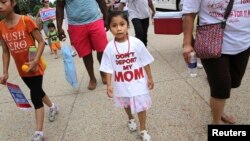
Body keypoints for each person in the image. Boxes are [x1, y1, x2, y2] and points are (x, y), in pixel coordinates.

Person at [182, 0, 250, 124]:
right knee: (221, 88)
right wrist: (187, 44)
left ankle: (217, 107)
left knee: (232, 83)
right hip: (211, 43)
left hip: (244, 43)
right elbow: (189, 14)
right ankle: (216, 122)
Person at [0, 0, 58, 140]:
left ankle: (39, 133)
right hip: (22, 70)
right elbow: (6, 51)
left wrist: (36, 61)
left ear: (13, 3)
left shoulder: (26, 20)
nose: (0, 6)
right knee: (38, 91)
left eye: (3, 2)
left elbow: (42, 42)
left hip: (35, 67)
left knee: (35, 96)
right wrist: (5, 72)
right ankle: (53, 106)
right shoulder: (1, 26)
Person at [100, 11, 154, 141]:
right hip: (121, 83)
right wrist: (109, 85)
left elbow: (145, 61)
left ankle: (143, 129)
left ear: (127, 25)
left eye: (122, 24)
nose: (118, 28)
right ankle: (130, 119)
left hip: (138, 81)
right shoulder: (109, 48)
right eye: (114, 25)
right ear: (109, 28)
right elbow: (107, 68)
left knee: (141, 106)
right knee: (126, 104)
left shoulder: (136, 43)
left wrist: (150, 77)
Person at [56, 0, 108, 90]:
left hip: (95, 20)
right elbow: (59, 7)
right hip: (75, 25)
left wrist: (107, 17)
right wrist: (59, 27)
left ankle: (103, 72)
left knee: (101, 49)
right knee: (86, 54)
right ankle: (92, 78)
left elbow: (101, 1)